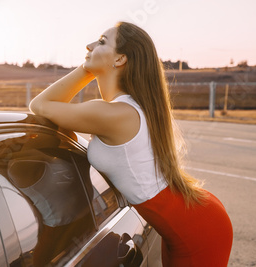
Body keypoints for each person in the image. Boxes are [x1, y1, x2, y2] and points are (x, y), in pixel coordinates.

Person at [29, 21, 233, 266]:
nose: (90, 45)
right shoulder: (124, 109)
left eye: (102, 42)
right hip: (193, 218)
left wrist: (86, 69)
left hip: (197, 229)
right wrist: (94, 62)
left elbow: (40, 105)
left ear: (120, 59)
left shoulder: (114, 114)